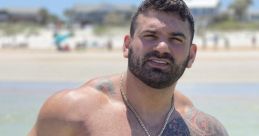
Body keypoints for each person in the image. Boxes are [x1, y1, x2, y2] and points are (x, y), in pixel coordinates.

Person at [29, 0, 228, 135]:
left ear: (191, 55)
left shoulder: (204, 129)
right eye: (150, 36)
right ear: (127, 45)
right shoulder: (72, 111)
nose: (162, 47)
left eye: (176, 39)